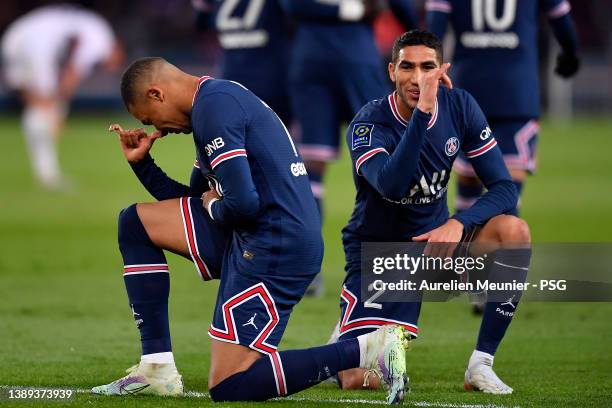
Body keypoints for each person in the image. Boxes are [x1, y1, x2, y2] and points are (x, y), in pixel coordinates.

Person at [90, 58, 409, 403]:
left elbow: (241, 204)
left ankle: (367, 349)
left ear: (156, 93)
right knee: (135, 223)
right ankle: (156, 369)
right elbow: (199, 200)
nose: (160, 130)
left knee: (231, 385)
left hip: (274, 247)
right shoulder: (212, 102)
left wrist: (214, 205)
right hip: (259, 234)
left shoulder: (215, 110)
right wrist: (144, 165)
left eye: (151, 118)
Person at [332, 30, 532, 394]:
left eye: (428, 67)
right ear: (392, 71)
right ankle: (348, 336)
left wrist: (458, 222)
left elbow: (503, 188)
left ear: (442, 71)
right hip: (382, 257)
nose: (417, 77)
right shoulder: (368, 124)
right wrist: (422, 114)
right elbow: (391, 186)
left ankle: (480, 363)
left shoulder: (461, 106)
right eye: (407, 67)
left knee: (513, 231)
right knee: (362, 380)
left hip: (436, 250)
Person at [281, 0, 417, 295]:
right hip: (357, 56)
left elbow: (290, 6)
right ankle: (388, 269)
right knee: (383, 158)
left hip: (311, 58)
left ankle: (306, 271)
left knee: (310, 169)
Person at [425, 0, 580, 215]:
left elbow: (434, 30)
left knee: (469, 184)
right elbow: (561, 18)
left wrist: (427, 71)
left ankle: (465, 245)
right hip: (516, 93)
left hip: (468, 91)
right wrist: (570, 53)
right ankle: (503, 242)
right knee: (508, 190)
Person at [1, 4, 124, 189]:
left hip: (13, 38)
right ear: (118, 48)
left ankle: (45, 173)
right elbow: (72, 73)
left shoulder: (91, 26)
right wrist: (59, 111)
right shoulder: (102, 37)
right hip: (34, 42)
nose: (111, 67)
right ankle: (48, 175)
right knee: (47, 105)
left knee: (38, 105)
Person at [192, 0, 292, 124]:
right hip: (270, 72)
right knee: (278, 134)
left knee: (239, 134)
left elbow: (201, 21)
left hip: (231, 74)